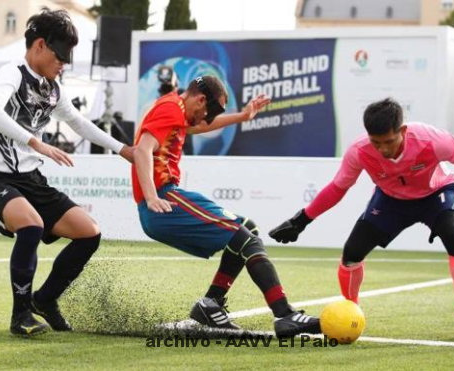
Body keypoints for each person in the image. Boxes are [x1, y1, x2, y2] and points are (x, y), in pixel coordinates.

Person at [269, 97, 454, 340]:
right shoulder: (359, 151)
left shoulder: (433, 140)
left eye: (389, 141)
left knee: (453, 233)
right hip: (392, 200)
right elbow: (338, 188)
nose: (383, 150)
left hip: (438, 191)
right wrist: (301, 220)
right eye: (376, 143)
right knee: (352, 252)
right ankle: (350, 312)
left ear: (403, 131)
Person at [0, 8, 134, 336]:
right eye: (59, 55)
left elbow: (79, 123)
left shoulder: (52, 89)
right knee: (31, 225)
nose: (62, 63)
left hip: (33, 181)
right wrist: (35, 141)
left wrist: (123, 149)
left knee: (89, 233)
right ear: (38, 46)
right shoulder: (12, 73)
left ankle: (44, 299)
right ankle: (20, 316)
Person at [132, 76, 321, 337]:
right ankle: (285, 315)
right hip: (163, 200)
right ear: (200, 99)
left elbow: (197, 128)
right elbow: (142, 150)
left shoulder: (175, 108)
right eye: (212, 110)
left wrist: (242, 117)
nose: (209, 118)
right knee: (246, 239)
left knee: (247, 229)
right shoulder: (171, 108)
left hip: (166, 198)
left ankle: (211, 303)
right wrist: (152, 196)